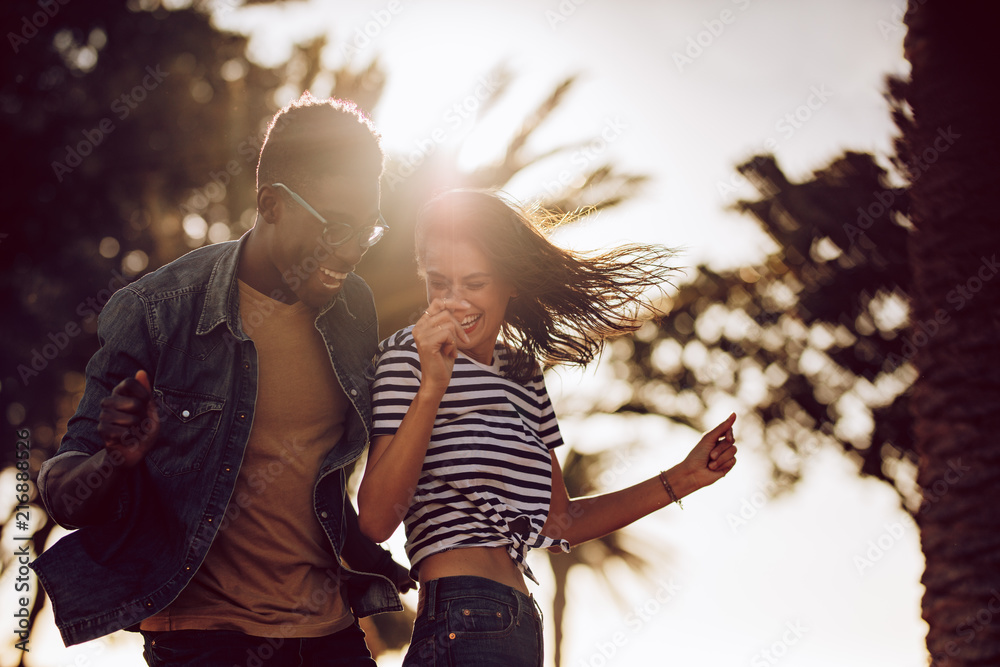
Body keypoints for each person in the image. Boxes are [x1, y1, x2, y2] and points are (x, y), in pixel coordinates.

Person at [33, 93, 414, 667]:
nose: (352, 250)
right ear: (271, 204)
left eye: (367, 230)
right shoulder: (158, 312)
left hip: (329, 629)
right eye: (336, 226)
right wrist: (115, 459)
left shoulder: (352, 307)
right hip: (202, 640)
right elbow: (63, 495)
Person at [357, 189, 738, 666]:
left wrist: (683, 478)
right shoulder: (406, 359)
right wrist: (434, 386)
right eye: (438, 283)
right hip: (461, 617)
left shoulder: (521, 372)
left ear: (509, 282)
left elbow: (560, 524)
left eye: (474, 282)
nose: (454, 302)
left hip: (520, 622)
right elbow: (374, 518)